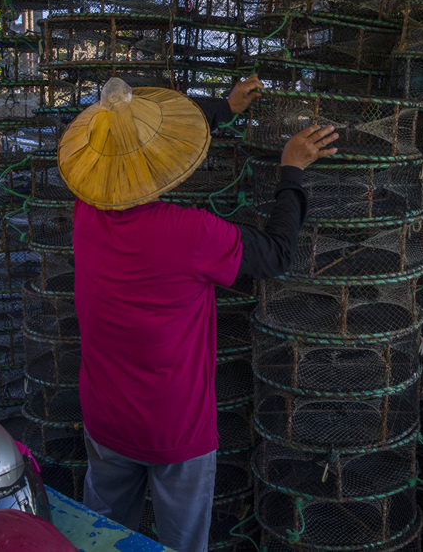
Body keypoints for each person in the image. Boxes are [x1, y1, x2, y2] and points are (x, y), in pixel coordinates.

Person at [57, 75, 338, 552]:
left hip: (104, 419)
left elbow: (138, 149)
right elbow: (275, 254)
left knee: (99, 540)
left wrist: (225, 109)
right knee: (183, 545)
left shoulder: (87, 214)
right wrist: (292, 170)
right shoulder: (192, 233)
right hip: (176, 430)